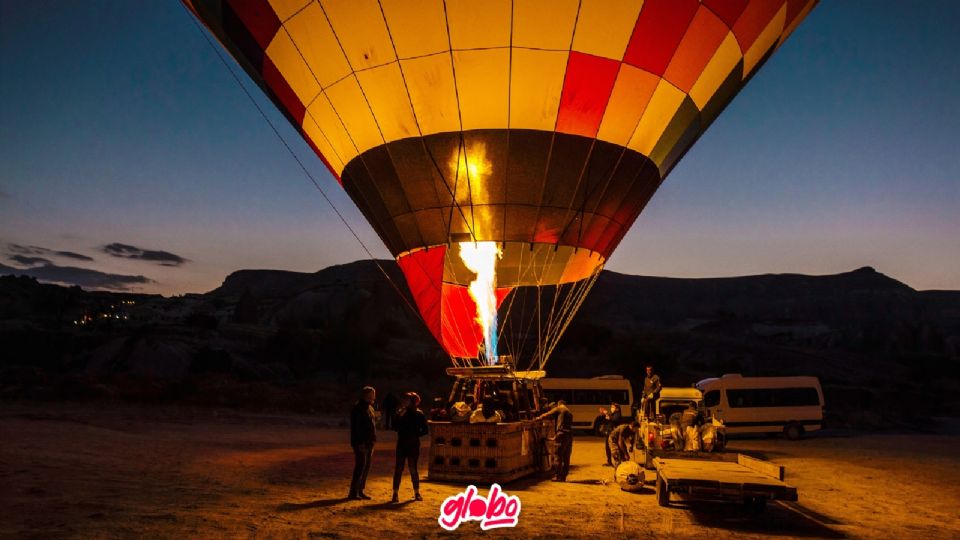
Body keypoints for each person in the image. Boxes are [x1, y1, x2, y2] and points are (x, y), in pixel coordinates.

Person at [392, 392, 428, 503]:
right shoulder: (401, 413)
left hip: (413, 445)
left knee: (413, 469)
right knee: (399, 469)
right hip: (402, 444)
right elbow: (394, 427)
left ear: (412, 401)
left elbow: (425, 430)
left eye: (407, 400)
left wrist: (415, 434)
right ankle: (395, 493)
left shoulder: (419, 414)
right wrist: (398, 417)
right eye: (405, 399)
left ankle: (417, 493)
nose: (404, 402)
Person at [349, 386, 377, 500]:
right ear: (365, 395)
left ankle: (360, 490)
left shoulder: (370, 408)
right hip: (361, 442)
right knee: (360, 466)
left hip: (370, 442)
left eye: (373, 395)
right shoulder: (358, 408)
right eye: (371, 395)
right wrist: (360, 443)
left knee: (366, 467)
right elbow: (357, 428)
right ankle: (353, 492)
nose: (373, 397)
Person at [536, 400, 573, 482]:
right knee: (566, 457)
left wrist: (538, 418)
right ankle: (563, 476)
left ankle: (558, 476)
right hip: (569, 435)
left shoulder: (560, 408)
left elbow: (548, 414)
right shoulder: (569, 412)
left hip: (561, 434)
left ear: (559, 404)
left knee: (558, 455)